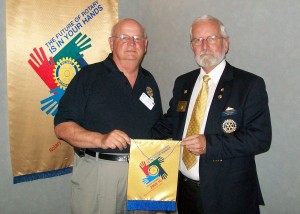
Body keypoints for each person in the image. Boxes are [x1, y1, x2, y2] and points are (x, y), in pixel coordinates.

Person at [152, 15, 272, 214]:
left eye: (212, 38)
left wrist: (209, 144)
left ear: (226, 43)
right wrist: (133, 137)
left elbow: (260, 138)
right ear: (192, 46)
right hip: (184, 192)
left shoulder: (249, 84)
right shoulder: (183, 82)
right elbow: (170, 122)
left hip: (229, 194)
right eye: (197, 40)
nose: (204, 45)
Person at [54, 18, 163, 214]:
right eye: (124, 37)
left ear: (145, 45)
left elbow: (155, 128)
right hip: (100, 175)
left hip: (144, 174)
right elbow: (62, 127)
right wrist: (101, 139)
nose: (131, 43)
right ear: (111, 43)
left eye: (137, 38)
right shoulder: (88, 76)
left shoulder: (149, 81)